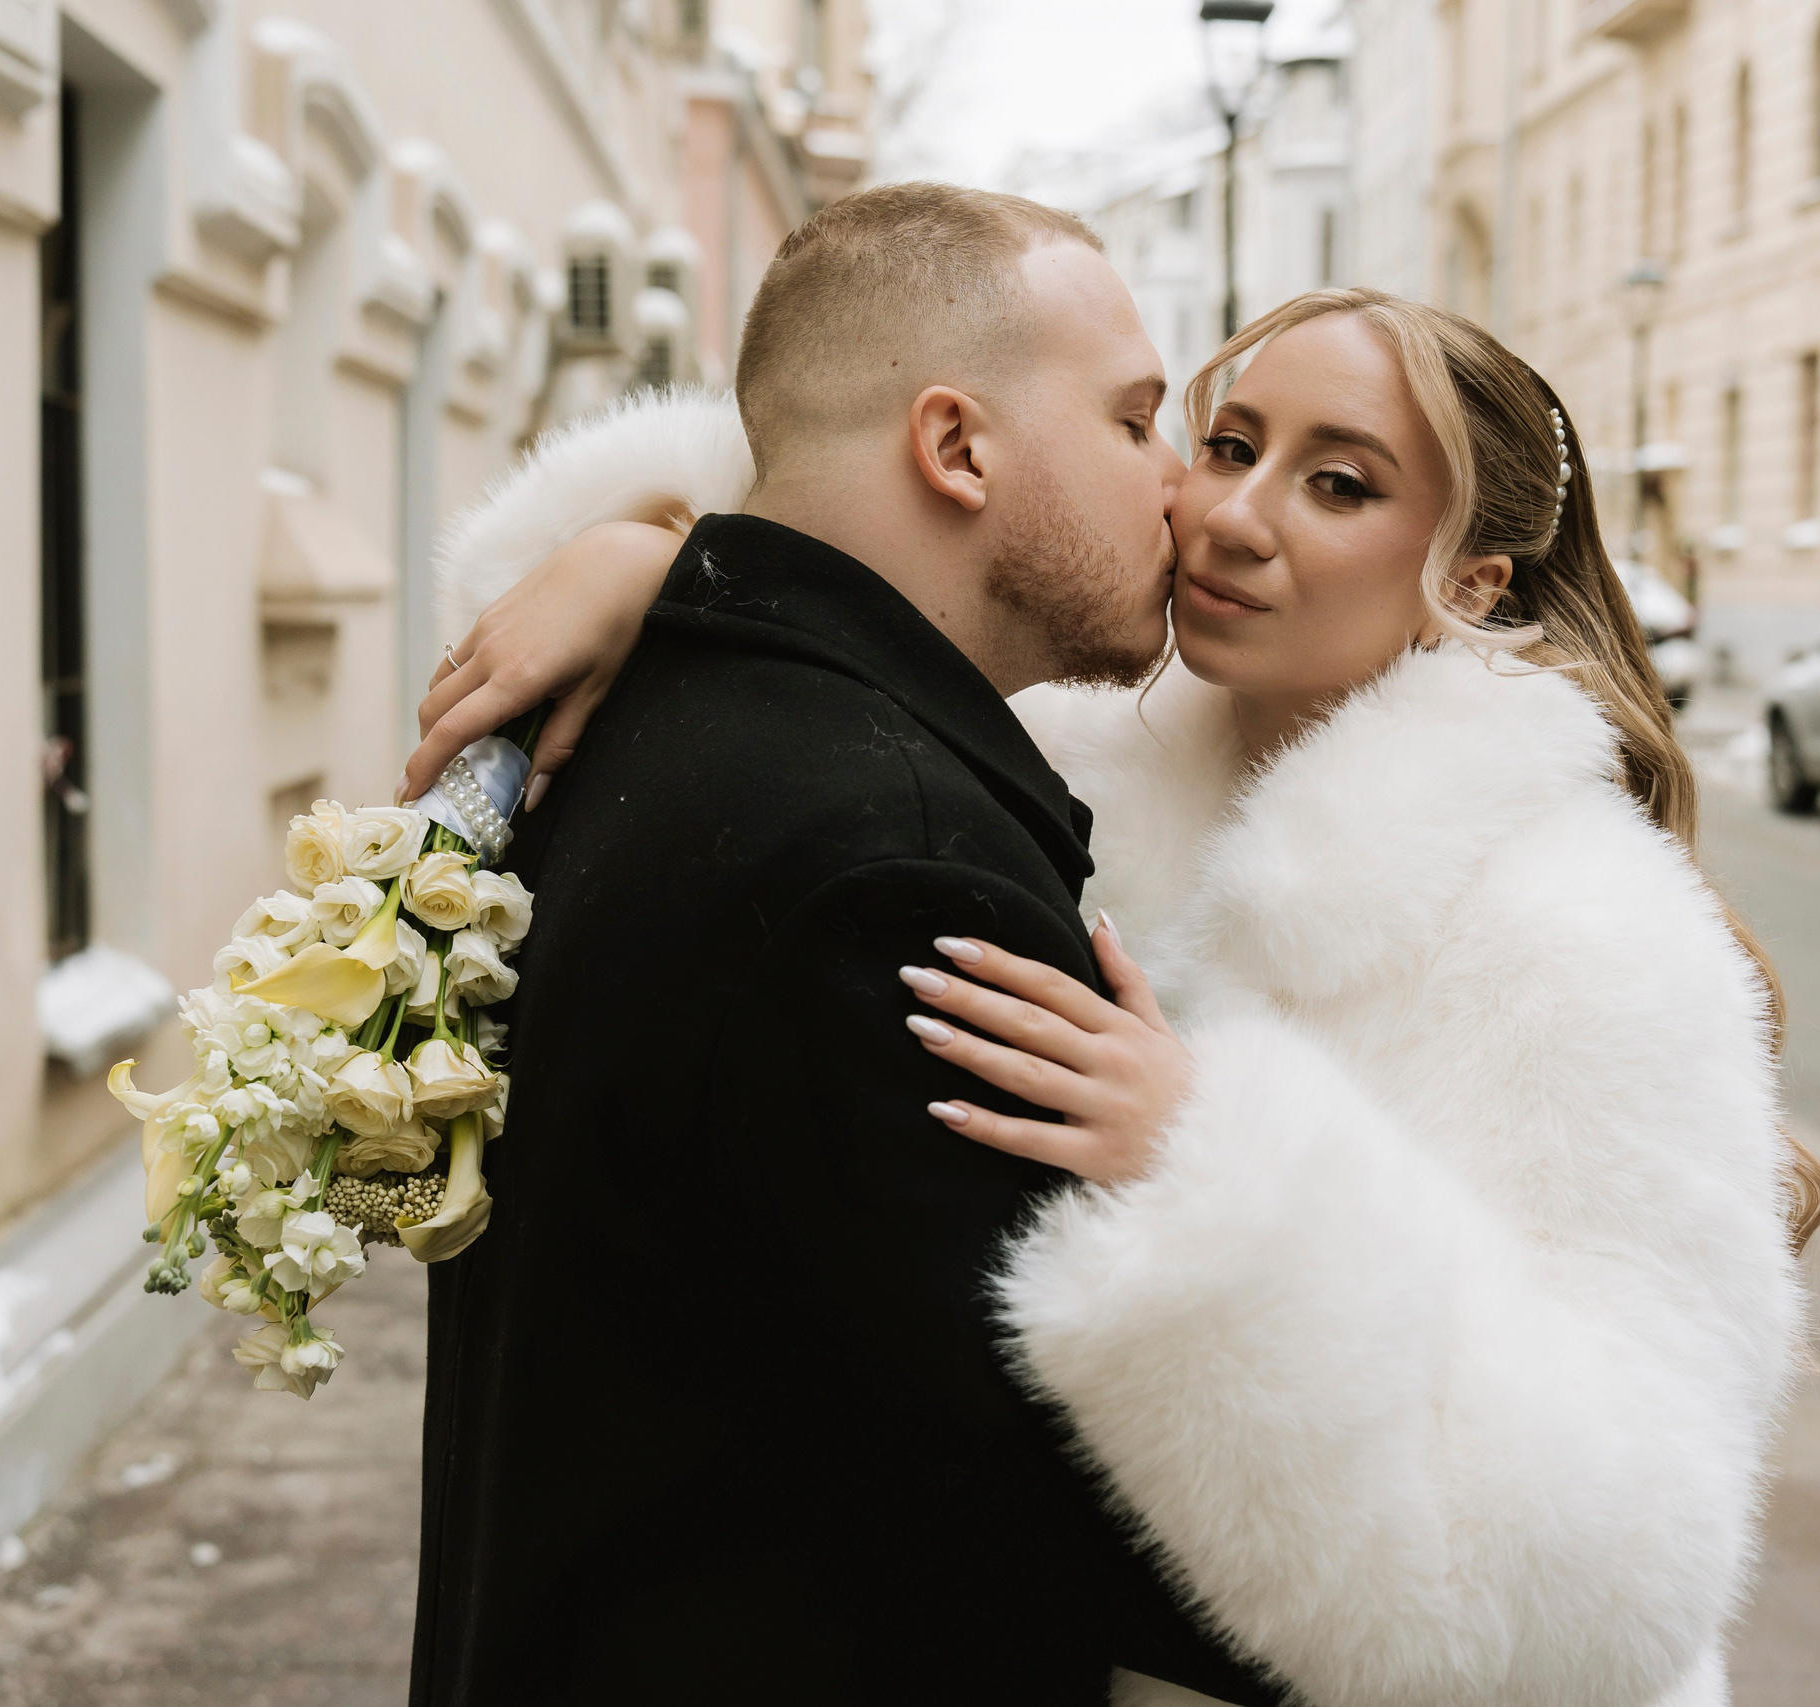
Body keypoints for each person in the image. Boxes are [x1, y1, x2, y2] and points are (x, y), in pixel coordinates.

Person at [415, 279, 1820, 1707]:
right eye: (1226, 445)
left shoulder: (1581, 930)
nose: (1232, 516)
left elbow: (1628, 1565)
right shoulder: (1064, 751)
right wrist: (646, 547)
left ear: (1469, 583)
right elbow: (859, 523)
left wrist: (1217, 1170)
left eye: (1337, 485)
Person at [405, 184, 1288, 1706]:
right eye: (1137, 420)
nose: (1180, 491)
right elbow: (1052, 1492)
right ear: (957, 448)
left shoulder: (649, 711)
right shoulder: (898, 865)